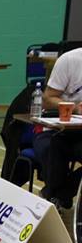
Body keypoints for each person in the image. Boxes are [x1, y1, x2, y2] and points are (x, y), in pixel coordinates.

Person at [34, 47, 82, 210]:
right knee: (52, 147)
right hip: (56, 129)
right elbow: (48, 99)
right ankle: (55, 194)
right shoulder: (70, 60)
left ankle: (61, 194)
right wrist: (75, 108)